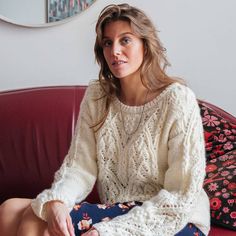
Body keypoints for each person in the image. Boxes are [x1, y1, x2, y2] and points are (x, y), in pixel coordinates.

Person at [0, 3, 210, 236]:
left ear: (145, 44)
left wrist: (109, 231)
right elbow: (80, 168)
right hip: (121, 207)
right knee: (10, 210)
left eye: (125, 40)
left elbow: (181, 194)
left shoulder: (177, 99)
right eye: (108, 43)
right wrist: (57, 201)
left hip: (173, 217)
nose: (115, 51)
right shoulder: (98, 96)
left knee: (36, 222)